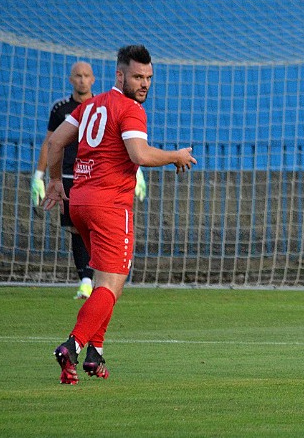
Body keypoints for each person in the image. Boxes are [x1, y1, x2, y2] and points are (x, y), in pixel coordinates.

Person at [42, 45, 196, 384]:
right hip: (110, 206)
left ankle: (95, 354)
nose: (144, 84)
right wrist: (175, 155)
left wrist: (55, 181)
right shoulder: (130, 109)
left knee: (104, 282)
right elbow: (138, 154)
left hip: (79, 201)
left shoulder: (89, 105)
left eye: (149, 78)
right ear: (119, 75)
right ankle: (73, 345)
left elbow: (55, 144)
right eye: (138, 77)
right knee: (112, 285)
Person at [31, 61, 147, 299]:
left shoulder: (95, 105)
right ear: (71, 79)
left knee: (86, 228)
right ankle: (88, 281)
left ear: (93, 79)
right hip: (71, 177)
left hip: (91, 180)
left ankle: (91, 281)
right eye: (78, 76)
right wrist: (40, 175)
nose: (83, 80)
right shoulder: (64, 108)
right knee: (78, 231)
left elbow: (119, 146)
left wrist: (137, 172)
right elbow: (51, 142)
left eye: (87, 76)